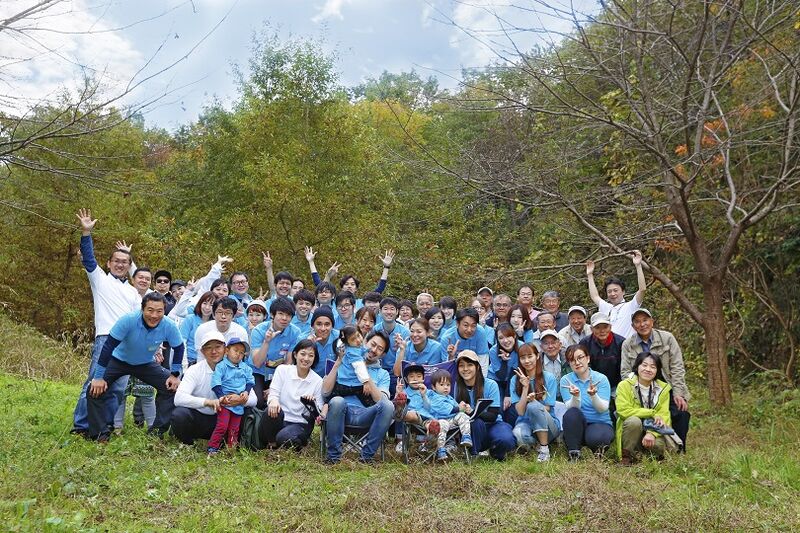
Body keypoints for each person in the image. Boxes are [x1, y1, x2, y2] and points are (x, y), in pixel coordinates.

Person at [71, 208, 140, 436]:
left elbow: (138, 320)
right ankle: (81, 426)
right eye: (116, 261)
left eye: (125, 262)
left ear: (128, 266)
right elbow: (89, 259)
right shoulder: (100, 280)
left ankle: (103, 426)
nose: (120, 265)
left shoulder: (133, 292)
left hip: (127, 344)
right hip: (106, 338)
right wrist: (86, 232)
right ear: (109, 263)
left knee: (118, 388)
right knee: (94, 381)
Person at [86, 293, 185, 441]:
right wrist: (98, 377)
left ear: (164, 311)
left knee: (173, 388)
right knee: (93, 389)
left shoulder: (169, 325)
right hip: (118, 360)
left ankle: (157, 432)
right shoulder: (128, 320)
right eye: (150, 310)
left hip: (145, 363)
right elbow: (108, 347)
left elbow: (179, 347)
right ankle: (100, 434)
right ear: (142, 309)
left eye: (159, 311)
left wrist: (175, 375)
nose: (154, 315)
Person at [171, 331, 257, 445]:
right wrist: (208, 402)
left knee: (248, 411)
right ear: (202, 351)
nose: (214, 351)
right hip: (200, 418)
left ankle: (231, 442)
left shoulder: (238, 368)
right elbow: (179, 398)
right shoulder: (195, 370)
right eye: (208, 348)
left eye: (218, 347)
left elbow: (254, 399)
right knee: (179, 414)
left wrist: (240, 400)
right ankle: (188, 442)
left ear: (225, 349)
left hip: (225, 417)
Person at [322, 331, 395, 464]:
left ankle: (367, 456)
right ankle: (333, 457)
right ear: (364, 342)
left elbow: (381, 401)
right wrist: (339, 362)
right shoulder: (344, 364)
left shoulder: (383, 374)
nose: (373, 350)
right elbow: (325, 392)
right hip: (343, 412)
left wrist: (364, 372)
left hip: (366, 414)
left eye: (379, 349)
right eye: (372, 344)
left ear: (383, 355)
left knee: (388, 405)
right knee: (337, 401)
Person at [621, 308, 691, 448]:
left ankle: (679, 447)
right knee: (640, 417)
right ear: (633, 326)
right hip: (640, 388)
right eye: (637, 322)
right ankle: (645, 445)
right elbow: (625, 372)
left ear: (652, 321)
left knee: (681, 412)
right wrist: (636, 387)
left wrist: (678, 393)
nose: (642, 324)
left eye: (645, 320)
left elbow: (677, 367)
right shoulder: (628, 344)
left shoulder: (667, 338)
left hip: (666, 387)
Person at [259, 339, 324, 450]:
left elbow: (319, 413)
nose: (306, 359)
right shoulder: (282, 370)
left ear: (314, 359)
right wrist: (273, 401)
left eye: (311, 356)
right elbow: (273, 393)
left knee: (284, 437)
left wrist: (311, 403)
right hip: (281, 418)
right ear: (295, 354)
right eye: (302, 354)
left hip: (300, 423)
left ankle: (290, 443)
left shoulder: (318, 381)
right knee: (268, 412)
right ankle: (273, 445)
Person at [453, 350, 516, 461]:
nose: (465, 369)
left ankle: (495, 451)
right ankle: (475, 453)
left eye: (469, 365)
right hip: (472, 427)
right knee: (476, 423)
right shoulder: (457, 386)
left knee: (506, 439)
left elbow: (493, 415)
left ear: (477, 367)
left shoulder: (491, 384)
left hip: (493, 424)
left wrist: (472, 412)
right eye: (461, 366)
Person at [560, 345, 613, 461]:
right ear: (569, 363)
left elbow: (602, 408)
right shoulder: (566, 380)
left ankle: (594, 450)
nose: (577, 362)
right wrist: (576, 396)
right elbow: (571, 408)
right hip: (578, 424)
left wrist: (593, 396)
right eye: (572, 360)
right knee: (571, 413)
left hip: (599, 422)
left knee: (597, 439)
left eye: (580, 357)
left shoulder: (601, 379)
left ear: (588, 358)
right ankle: (574, 454)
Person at [248, 297, 302, 408]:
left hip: (278, 373)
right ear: (272, 314)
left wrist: (274, 387)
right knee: (257, 401)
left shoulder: (295, 332)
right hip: (257, 372)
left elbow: (288, 362)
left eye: (288, 315)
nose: (284, 318)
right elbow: (257, 363)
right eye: (281, 314)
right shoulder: (258, 331)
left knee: (280, 399)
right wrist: (267, 342)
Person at [510, 343, 560, 461]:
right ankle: (537, 443)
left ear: (537, 356)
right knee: (518, 434)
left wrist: (535, 403)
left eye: (530, 356)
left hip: (549, 425)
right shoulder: (514, 380)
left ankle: (544, 449)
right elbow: (520, 412)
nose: (527, 361)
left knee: (533, 407)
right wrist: (525, 388)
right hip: (525, 422)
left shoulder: (549, 378)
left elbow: (548, 407)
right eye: (523, 358)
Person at [207, 337, 255, 456]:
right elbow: (215, 382)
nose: (239, 354)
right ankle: (212, 448)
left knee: (234, 429)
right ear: (227, 351)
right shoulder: (222, 366)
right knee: (222, 426)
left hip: (239, 404)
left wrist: (246, 392)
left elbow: (250, 381)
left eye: (242, 352)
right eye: (236, 350)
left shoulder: (245, 368)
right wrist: (221, 396)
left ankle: (231, 450)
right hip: (226, 402)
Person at [586, 250, 647, 339]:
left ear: (623, 292)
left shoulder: (631, 306)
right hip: (610, 349)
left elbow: (642, 289)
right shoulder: (606, 308)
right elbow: (595, 296)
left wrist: (638, 265)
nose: (613, 294)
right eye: (609, 291)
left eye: (615, 290)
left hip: (627, 348)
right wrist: (590, 275)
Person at [426, 369, 473, 459]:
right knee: (442, 424)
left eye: (448, 385)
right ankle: (440, 449)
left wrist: (464, 408)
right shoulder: (434, 398)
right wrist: (458, 408)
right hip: (438, 421)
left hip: (451, 421)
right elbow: (446, 410)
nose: (446, 387)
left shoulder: (449, 398)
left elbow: (458, 409)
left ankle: (466, 436)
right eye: (442, 385)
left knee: (463, 416)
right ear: (433, 387)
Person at [579, 312, 626, 395]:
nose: (602, 331)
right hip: (592, 385)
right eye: (597, 327)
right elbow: (583, 367)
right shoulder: (585, 343)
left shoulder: (621, 342)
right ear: (591, 329)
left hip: (616, 386)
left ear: (610, 327)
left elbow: (624, 368)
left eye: (605, 327)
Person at [441, 308, 491, 376]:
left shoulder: (480, 332)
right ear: (457, 324)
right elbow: (446, 368)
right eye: (465, 325)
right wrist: (451, 357)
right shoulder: (447, 338)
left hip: (474, 373)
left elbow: (483, 361)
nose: (469, 330)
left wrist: (481, 382)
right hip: (456, 373)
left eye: (473, 326)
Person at [487, 323, 520, 414]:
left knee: (512, 405)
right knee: (500, 406)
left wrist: (508, 394)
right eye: (501, 338)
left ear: (514, 335)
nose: (505, 341)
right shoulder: (493, 351)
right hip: (496, 380)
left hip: (514, 379)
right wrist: (504, 361)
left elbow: (514, 373)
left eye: (508, 336)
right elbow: (500, 376)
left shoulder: (521, 347)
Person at [179, 291, 215, 366]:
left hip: (208, 361)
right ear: (200, 303)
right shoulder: (190, 319)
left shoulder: (215, 323)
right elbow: (182, 340)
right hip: (189, 359)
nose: (207, 308)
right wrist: (184, 362)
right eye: (205, 303)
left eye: (211, 305)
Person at [309, 307, 339, 377]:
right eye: (319, 324)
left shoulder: (339, 338)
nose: (323, 328)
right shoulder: (303, 339)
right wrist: (308, 346)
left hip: (333, 380)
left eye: (327, 324)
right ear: (312, 326)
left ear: (332, 326)